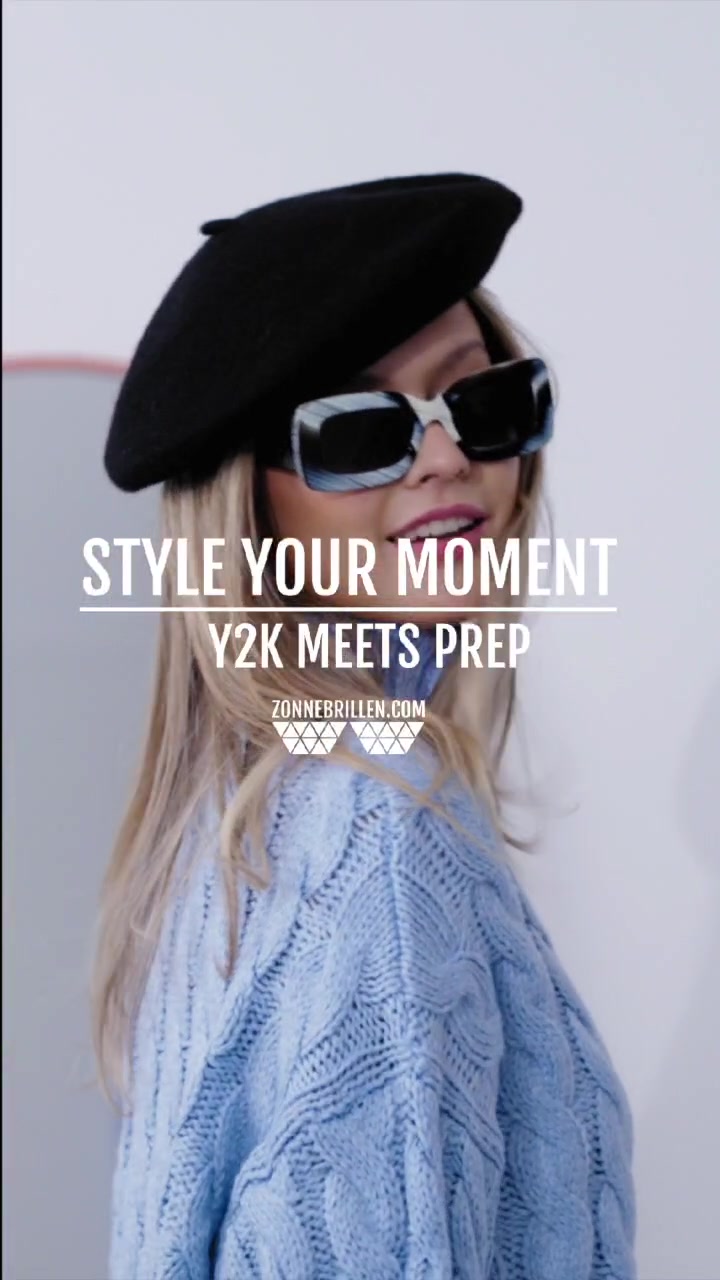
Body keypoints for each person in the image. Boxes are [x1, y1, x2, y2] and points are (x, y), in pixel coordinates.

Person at [92, 173, 637, 1278]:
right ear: (249, 504)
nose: (447, 458)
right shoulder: (380, 830)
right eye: (356, 430)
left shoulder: (242, 823)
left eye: (482, 403)